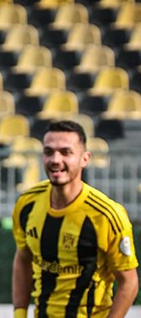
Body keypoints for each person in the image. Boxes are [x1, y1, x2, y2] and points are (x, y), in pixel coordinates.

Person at [12, 120, 138, 318]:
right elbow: (22, 258)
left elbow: (129, 282)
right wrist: (19, 313)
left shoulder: (106, 215)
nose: (55, 159)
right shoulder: (27, 204)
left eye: (66, 152)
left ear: (84, 159)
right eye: (48, 152)